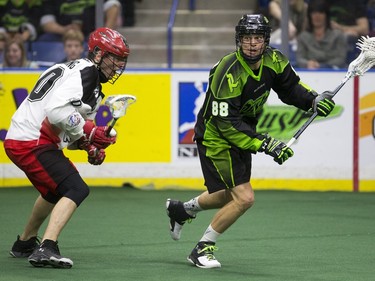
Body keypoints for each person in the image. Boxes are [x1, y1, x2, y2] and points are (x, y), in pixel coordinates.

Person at [165, 14, 336, 269]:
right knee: (244, 198)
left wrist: (312, 100)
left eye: (258, 38)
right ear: (239, 40)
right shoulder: (227, 71)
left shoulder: (274, 60)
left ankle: (182, 210)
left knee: (227, 196)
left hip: (243, 131)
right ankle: (202, 249)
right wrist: (266, 144)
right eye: (247, 38)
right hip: (217, 137)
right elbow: (227, 124)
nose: (253, 44)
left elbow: (291, 88)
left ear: (266, 40)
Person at [4, 27, 129, 268]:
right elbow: (57, 112)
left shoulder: (76, 72)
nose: (118, 66)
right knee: (76, 188)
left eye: (122, 60)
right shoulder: (87, 73)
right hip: (32, 140)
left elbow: (65, 130)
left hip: (25, 138)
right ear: (98, 54)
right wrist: (91, 131)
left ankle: (25, 243)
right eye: (115, 58)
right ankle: (46, 247)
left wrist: (87, 146)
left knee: (55, 190)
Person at [296, 0, 347, 69]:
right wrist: (308, 63)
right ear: (309, 15)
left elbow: (341, 59)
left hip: (333, 72)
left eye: (321, 12)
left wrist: (322, 66)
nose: (317, 16)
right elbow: (299, 59)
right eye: (314, 13)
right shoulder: (303, 37)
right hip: (309, 72)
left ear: (326, 15)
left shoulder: (338, 35)